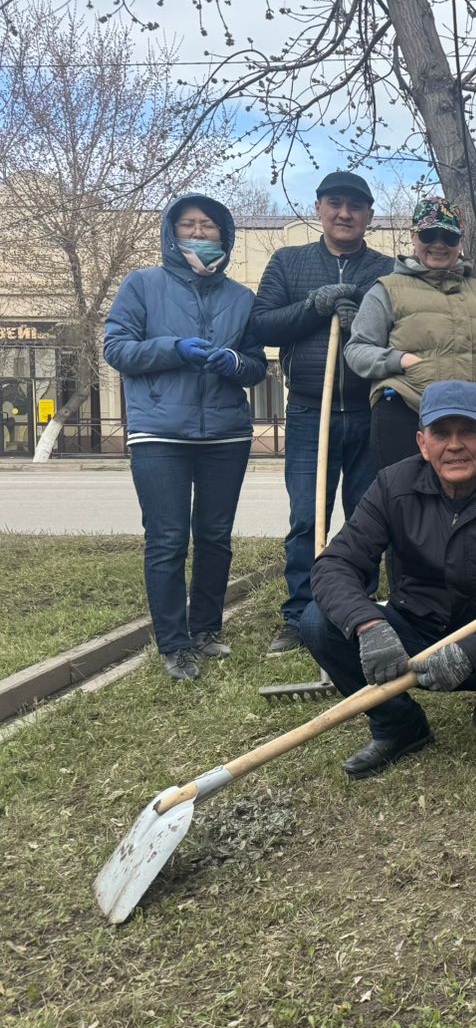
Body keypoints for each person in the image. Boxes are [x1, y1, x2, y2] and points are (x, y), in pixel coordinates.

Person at [300, 380, 476, 778]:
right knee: (317, 622)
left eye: (468, 432)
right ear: (423, 444)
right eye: (441, 433)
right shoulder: (392, 485)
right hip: (414, 628)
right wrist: (370, 625)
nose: (454, 445)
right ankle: (399, 725)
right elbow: (335, 565)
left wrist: (473, 649)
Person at [103, 195, 267, 681]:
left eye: (208, 227)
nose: (198, 233)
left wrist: (234, 363)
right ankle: (174, 645)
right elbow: (117, 348)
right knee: (168, 538)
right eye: (188, 225)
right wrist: (173, 348)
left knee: (215, 537)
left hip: (225, 435)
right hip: (159, 434)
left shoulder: (241, 298)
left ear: (225, 236)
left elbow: (256, 366)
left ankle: (206, 630)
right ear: (171, 234)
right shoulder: (142, 285)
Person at [248, 171, 395, 658]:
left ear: (369, 216)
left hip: (371, 410)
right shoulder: (289, 263)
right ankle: (300, 613)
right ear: (319, 210)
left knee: (367, 518)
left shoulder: (385, 271)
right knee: (306, 517)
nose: (345, 214)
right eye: (335, 204)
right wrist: (313, 308)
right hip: (312, 410)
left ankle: (360, 610)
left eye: (356, 206)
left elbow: (401, 335)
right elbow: (263, 325)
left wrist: (366, 327)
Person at [344, 196, 476, 471]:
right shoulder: (387, 289)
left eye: (449, 237)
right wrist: (400, 360)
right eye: (430, 234)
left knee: (472, 509)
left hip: (472, 421)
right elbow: (357, 350)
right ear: (415, 237)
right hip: (405, 414)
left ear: (460, 241)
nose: (439, 244)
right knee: (405, 507)